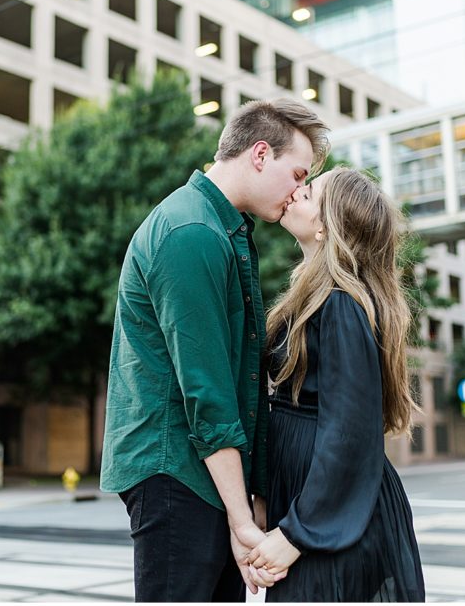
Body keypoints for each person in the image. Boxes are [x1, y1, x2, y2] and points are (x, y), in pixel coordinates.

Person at [100, 99, 329, 601]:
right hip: (175, 469)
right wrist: (242, 516)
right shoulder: (192, 232)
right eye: (297, 173)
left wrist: (249, 502)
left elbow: (242, 380)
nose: (299, 191)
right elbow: (207, 391)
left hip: (203, 474)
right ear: (261, 154)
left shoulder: (221, 228)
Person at [247, 166, 426, 602]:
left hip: (331, 520)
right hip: (316, 510)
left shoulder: (342, 305)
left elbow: (348, 431)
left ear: (329, 226)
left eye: (309, 193)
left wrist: (296, 534)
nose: (295, 193)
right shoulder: (315, 296)